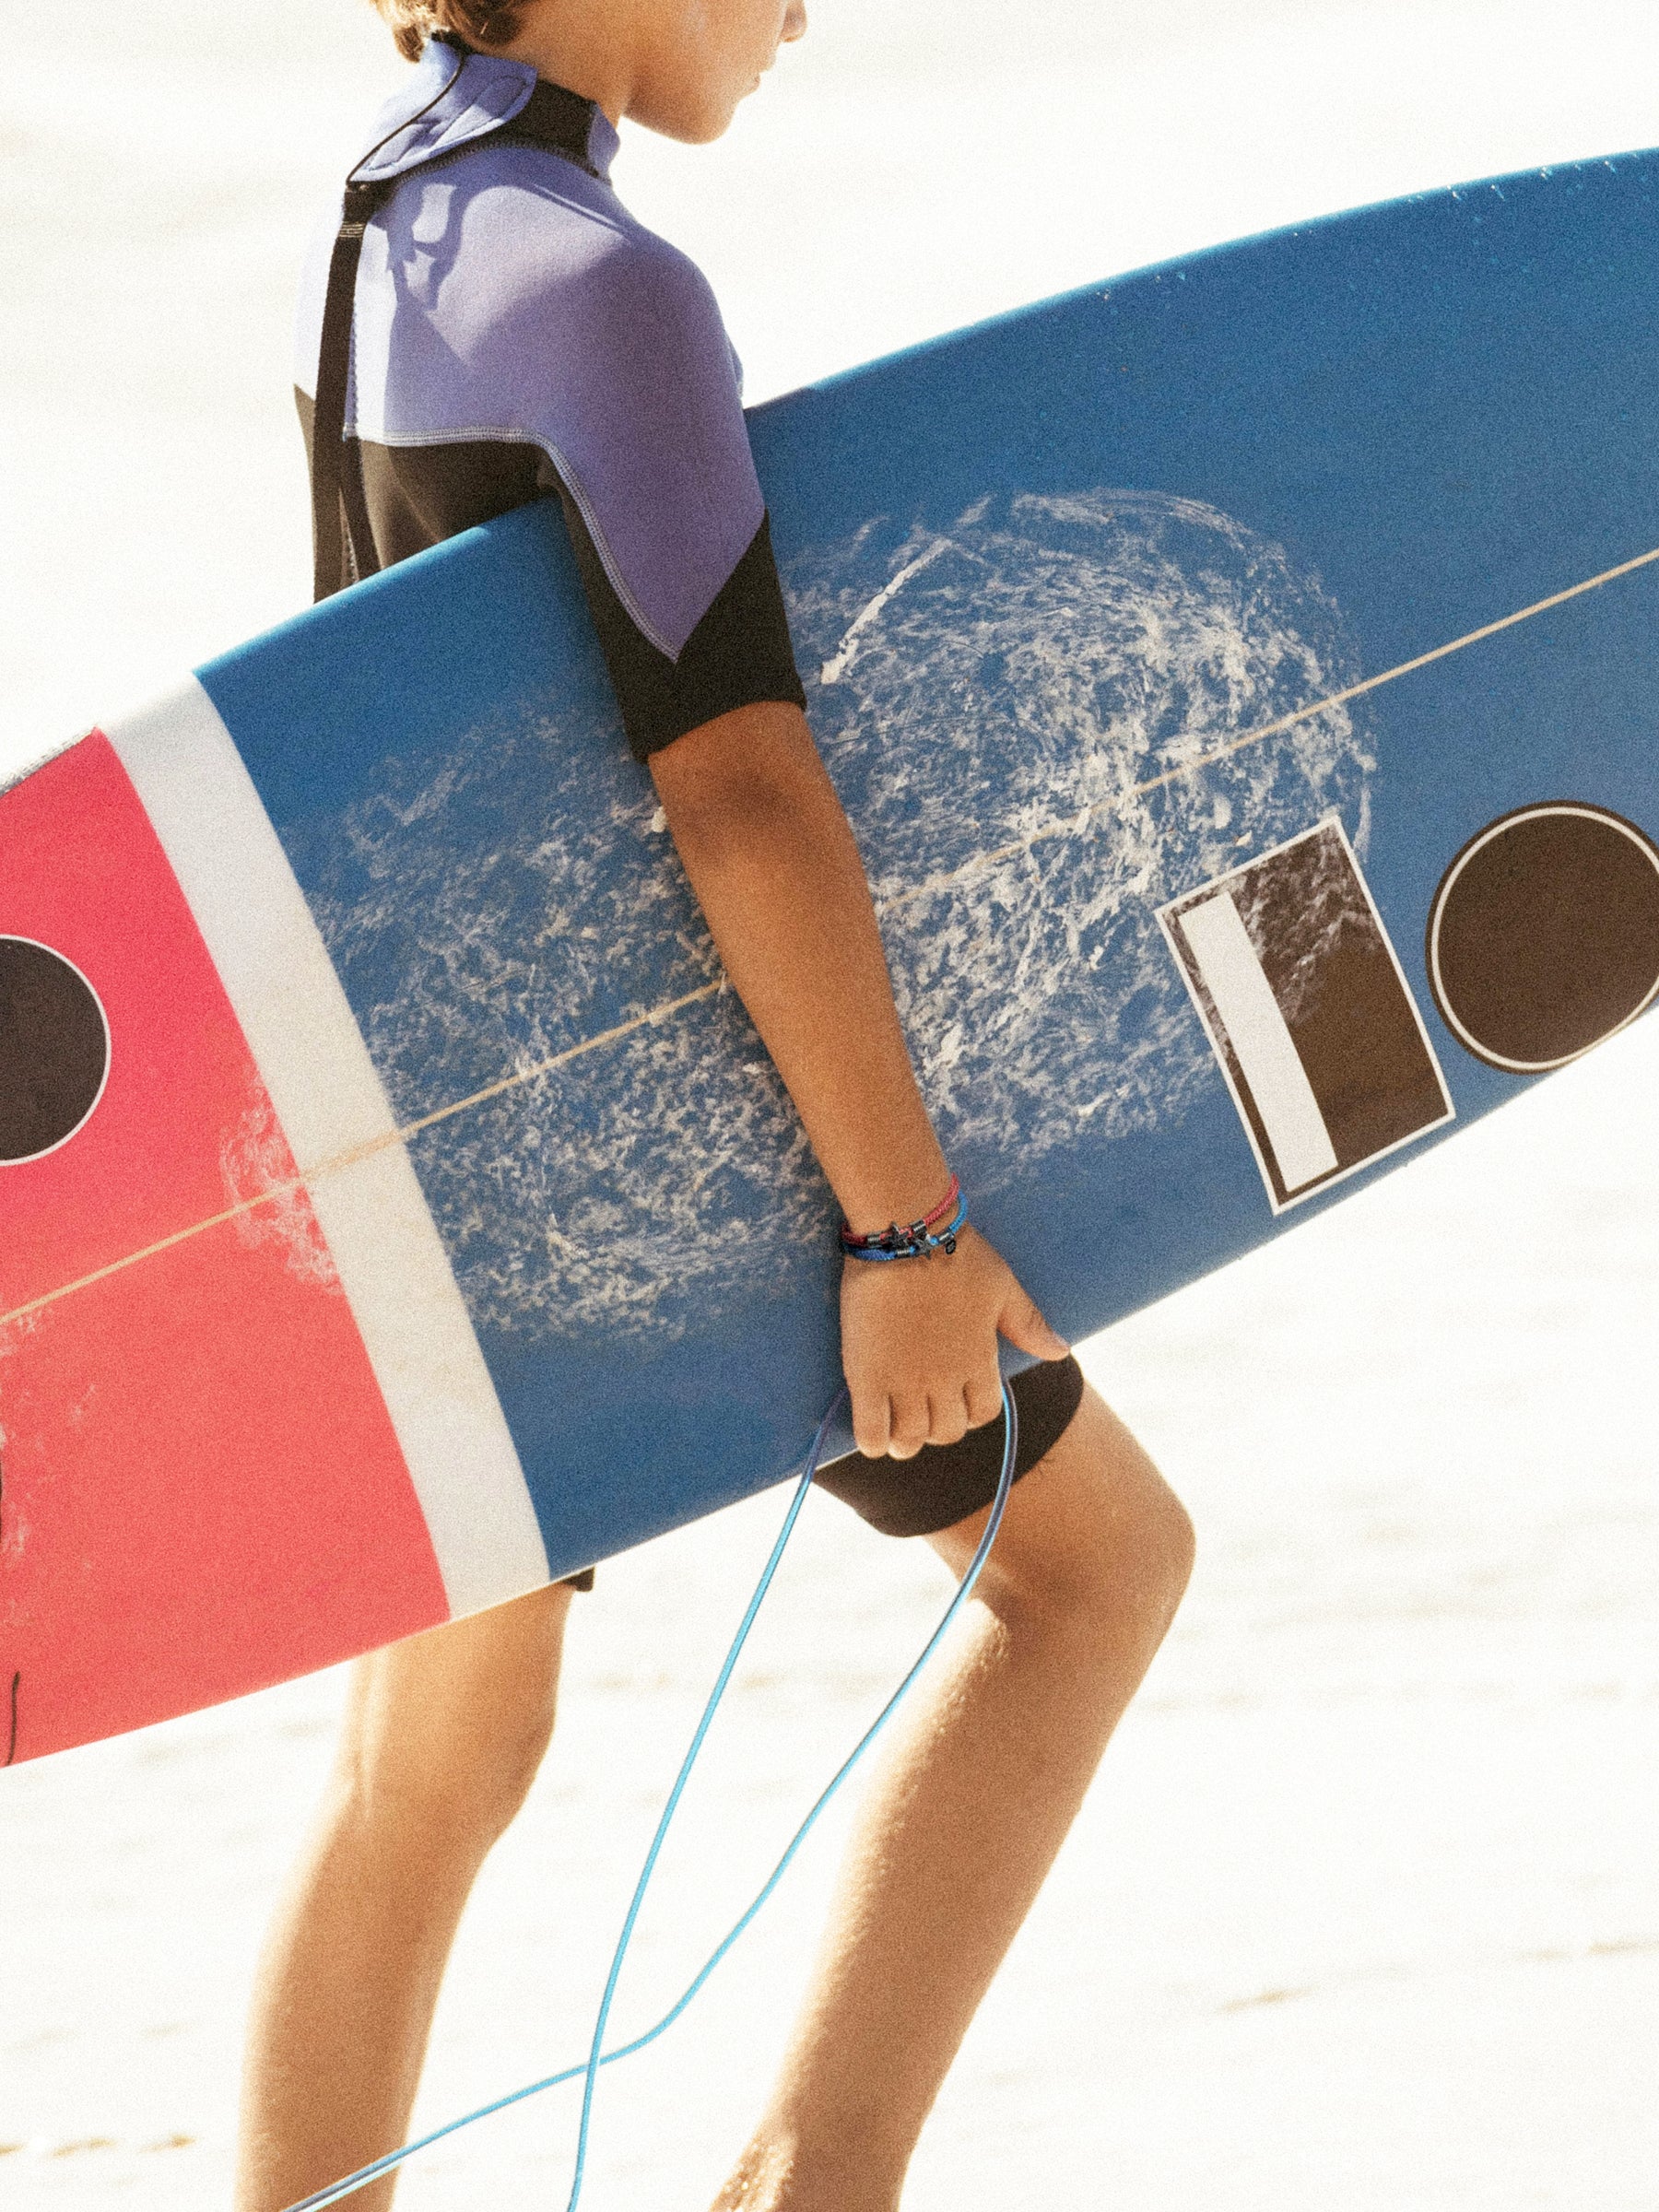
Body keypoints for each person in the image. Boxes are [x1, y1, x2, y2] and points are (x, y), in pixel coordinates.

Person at [237, 5, 1195, 2208]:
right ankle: (806, 2186)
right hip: (653, 1164)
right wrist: (900, 1230)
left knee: (423, 1773)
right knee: (1091, 1574)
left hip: (432, 1137)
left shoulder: (384, 221)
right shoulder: (605, 285)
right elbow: (740, 793)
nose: (800, 11)